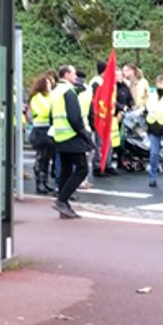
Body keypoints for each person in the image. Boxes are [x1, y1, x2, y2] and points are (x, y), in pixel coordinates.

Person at [49, 64, 93, 218]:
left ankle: (64, 206)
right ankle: (61, 200)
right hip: (71, 135)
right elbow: (74, 117)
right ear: (66, 74)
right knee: (82, 169)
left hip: (60, 135)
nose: (76, 77)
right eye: (74, 74)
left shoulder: (55, 92)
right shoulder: (69, 92)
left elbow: (51, 115)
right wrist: (84, 134)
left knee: (66, 171)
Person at [28, 72, 57, 194]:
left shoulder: (49, 96)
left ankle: (45, 181)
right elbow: (46, 110)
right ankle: (39, 183)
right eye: (48, 84)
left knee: (47, 158)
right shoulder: (37, 97)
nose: (50, 86)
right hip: (40, 129)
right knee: (40, 157)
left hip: (48, 128)